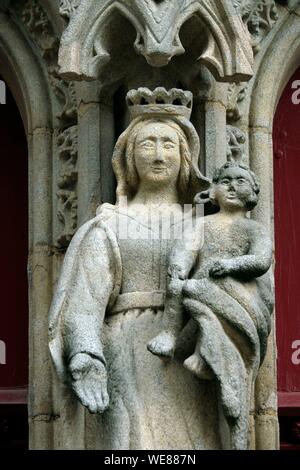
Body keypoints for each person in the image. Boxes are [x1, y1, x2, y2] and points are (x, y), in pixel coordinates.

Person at [49, 88, 228, 450]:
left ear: (184, 157)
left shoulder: (204, 225)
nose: (159, 155)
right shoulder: (109, 224)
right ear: (129, 157)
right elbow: (84, 304)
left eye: (169, 145)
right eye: (147, 145)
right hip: (126, 350)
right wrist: (86, 356)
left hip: (187, 350)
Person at [148, 161, 274, 449]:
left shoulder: (252, 228)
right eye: (224, 181)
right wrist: (179, 264)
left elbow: (261, 260)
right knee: (181, 284)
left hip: (237, 300)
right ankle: (171, 335)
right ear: (212, 191)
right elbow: (185, 250)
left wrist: (230, 265)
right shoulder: (202, 225)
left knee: (234, 398)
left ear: (253, 192)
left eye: (239, 181)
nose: (231, 186)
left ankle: (205, 357)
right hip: (201, 296)